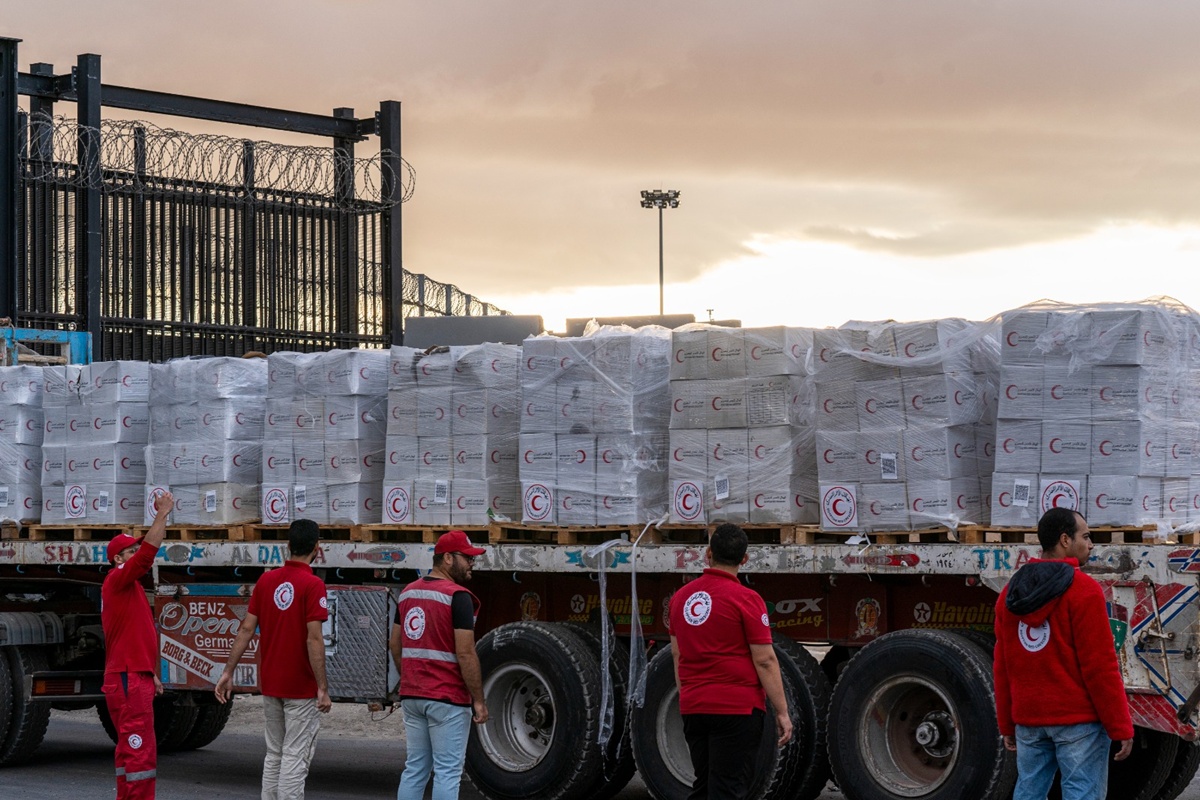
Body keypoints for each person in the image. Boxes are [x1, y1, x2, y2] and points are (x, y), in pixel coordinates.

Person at [994, 507, 1134, 800]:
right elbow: (1100, 666)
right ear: (1065, 540)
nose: (1091, 543)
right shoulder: (1084, 591)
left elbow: (1003, 665)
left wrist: (1007, 722)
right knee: (1081, 793)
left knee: (1028, 793)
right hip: (1078, 721)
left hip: (1029, 722)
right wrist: (1120, 725)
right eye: (1085, 536)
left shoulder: (1010, 593)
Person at [668, 522, 792, 800]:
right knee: (728, 789)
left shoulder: (680, 599)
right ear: (745, 559)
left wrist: (688, 695)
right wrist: (782, 711)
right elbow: (765, 660)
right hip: (736, 709)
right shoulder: (747, 599)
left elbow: (677, 654)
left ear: (707, 554)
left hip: (694, 706)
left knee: (703, 786)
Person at [214, 519, 332, 800]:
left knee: (275, 753)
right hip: (299, 687)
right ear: (318, 548)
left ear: (287, 546)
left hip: (272, 683)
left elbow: (245, 628)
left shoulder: (266, 581)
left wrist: (228, 671)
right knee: (295, 756)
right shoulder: (313, 585)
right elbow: (313, 639)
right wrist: (322, 687)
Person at [391, 529, 489, 800]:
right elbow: (466, 653)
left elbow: (395, 644)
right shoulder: (458, 597)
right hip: (446, 697)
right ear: (447, 558)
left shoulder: (408, 594)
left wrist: (409, 676)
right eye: (467, 558)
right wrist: (478, 700)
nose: (472, 563)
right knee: (447, 771)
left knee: (415, 769)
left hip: (413, 695)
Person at [102, 489, 174, 800]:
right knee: (139, 755)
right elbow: (148, 554)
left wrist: (151, 673)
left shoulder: (127, 590)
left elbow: (135, 637)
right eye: (130, 551)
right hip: (128, 680)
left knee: (129, 753)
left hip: (133, 675)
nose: (137, 554)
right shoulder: (118, 579)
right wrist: (162, 514)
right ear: (118, 559)